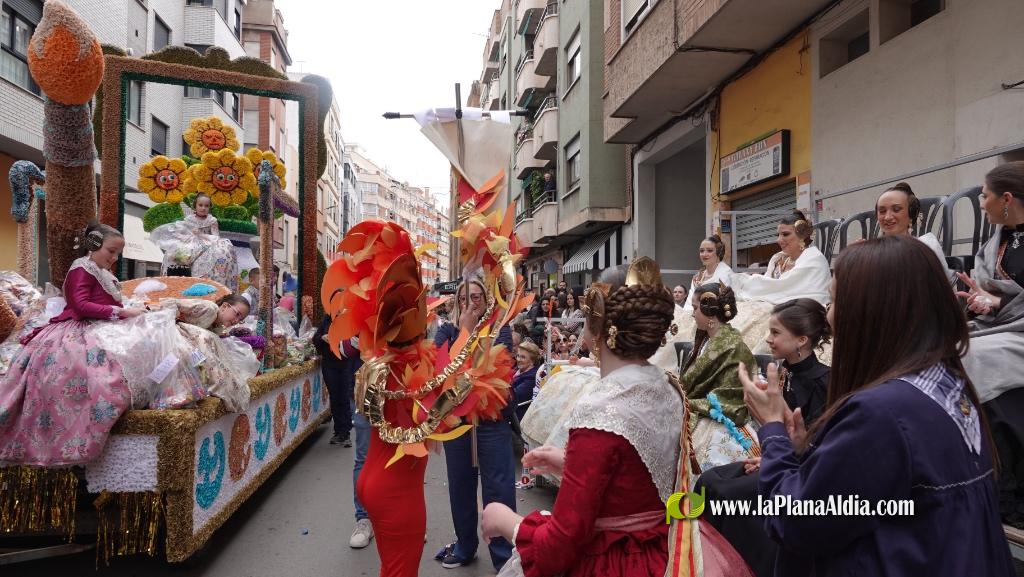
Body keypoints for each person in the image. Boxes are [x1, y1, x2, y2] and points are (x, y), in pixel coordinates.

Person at [742, 234, 1014, 576]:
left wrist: (774, 434)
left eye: (835, 301)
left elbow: (796, 522)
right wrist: (808, 453)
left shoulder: (881, 413)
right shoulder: (947, 385)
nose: (828, 315)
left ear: (868, 313)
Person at [481, 258, 752, 577]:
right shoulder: (669, 387)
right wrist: (573, 465)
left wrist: (505, 519)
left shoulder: (601, 408)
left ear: (596, 324)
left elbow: (560, 546)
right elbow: (638, 476)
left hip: (616, 559)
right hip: (666, 548)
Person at [694, 298, 830, 576]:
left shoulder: (824, 382)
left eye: (776, 333)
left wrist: (775, 458)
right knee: (710, 480)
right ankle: (705, 561)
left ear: (802, 340)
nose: (767, 340)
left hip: (803, 473)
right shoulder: (783, 373)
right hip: (778, 458)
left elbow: (819, 446)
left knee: (728, 494)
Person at [0, 223, 142, 465]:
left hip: (100, 328)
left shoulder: (104, 273)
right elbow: (79, 305)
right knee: (95, 380)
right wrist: (121, 312)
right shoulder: (81, 269)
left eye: (117, 253)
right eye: (111, 251)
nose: (114, 258)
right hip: (75, 332)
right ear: (94, 245)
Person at [435, 276, 517, 571]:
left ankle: (504, 556)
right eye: (463, 298)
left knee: (499, 487)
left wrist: (469, 357)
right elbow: (441, 373)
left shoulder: (500, 328)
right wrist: (466, 331)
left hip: (492, 422)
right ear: (456, 303)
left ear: (486, 300)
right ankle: (465, 545)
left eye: (476, 297)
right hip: (457, 424)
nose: (470, 303)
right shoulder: (445, 331)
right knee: (460, 486)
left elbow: (499, 369)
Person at [958, 162, 1024, 525]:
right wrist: (979, 300)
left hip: (1019, 331)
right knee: (945, 346)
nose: (981, 203)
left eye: (985, 195)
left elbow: (1003, 298)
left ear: (1007, 199)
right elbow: (991, 294)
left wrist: (998, 302)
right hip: (1002, 327)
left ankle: (1004, 487)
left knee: (973, 357)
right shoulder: (996, 243)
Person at [681, 282, 758, 471]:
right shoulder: (707, 341)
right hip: (701, 411)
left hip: (722, 421)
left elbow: (731, 400)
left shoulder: (733, 347)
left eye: (695, 308)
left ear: (709, 311)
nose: (692, 313)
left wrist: (689, 402)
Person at [730, 210, 831, 306]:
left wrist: (744, 283)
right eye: (778, 235)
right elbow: (768, 286)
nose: (778, 240)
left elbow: (779, 289)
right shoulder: (778, 259)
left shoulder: (814, 260)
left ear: (802, 235)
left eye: (785, 234)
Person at [153, 193, 240, 291]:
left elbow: (215, 236)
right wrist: (183, 237)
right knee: (173, 254)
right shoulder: (188, 219)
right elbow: (181, 232)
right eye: (200, 205)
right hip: (190, 243)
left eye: (206, 206)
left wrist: (200, 235)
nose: (203, 208)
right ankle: (173, 284)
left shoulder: (212, 220)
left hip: (206, 242)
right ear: (195, 206)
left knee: (222, 251)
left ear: (209, 207)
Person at [876, 182, 957, 284]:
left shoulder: (926, 246)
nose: (887, 217)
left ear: (911, 213)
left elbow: (944, 284)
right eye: (882, 211)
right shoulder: (871, 252)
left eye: (896, 209)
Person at [313, 313, 357, 447]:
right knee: (334, 397)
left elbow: (356, 341)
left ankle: (346, 432)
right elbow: (315, 339)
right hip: (329, 364)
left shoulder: (349, 319)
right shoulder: (326, 319)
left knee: (344, 396)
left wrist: (342, 341)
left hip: (345, 364)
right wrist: (322, 338)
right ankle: (338, 431)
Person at [683, 235, 734, 313]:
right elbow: (690, 302)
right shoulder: (698, 277)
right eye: (702, 251)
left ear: (718, 253)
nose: (704, 254)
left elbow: (726, 302)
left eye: (709, 250)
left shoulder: (726, 274)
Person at [513, 341, 543, 421]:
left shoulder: (532, 377)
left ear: (532, 361)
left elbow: (514, 396)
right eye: (518, 356)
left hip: (517, 418)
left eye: (523, 357)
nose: (518, 359)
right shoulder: (516, 370)